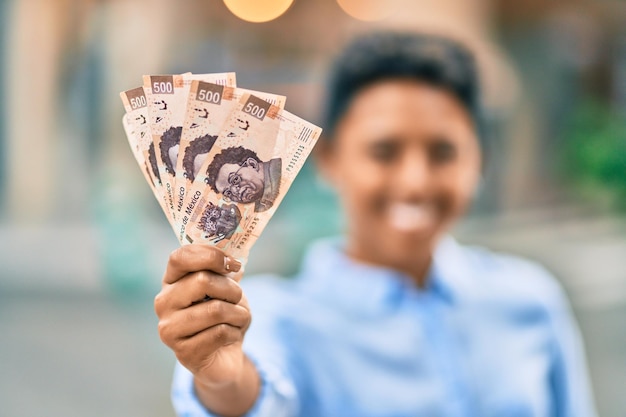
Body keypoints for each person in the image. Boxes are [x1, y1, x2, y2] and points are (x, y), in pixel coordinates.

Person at [154, 32, 597, 417]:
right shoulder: (270, 317)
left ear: (479, 160)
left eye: (443, 152)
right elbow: (245, 390)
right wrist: (219, 377)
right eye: (384, 152)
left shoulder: (531, 300)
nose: (415, 182)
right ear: (328, 159)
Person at [205, 146, 282, 212]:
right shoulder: (261, 208)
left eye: (235, 180)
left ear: (252, 164)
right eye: (228, 193)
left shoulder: (282, 168)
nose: (235, 192)